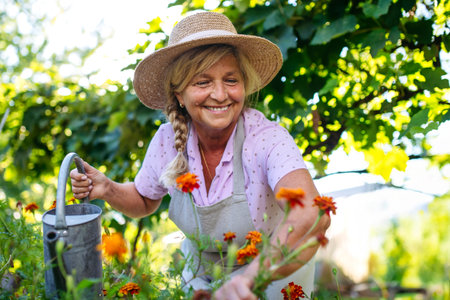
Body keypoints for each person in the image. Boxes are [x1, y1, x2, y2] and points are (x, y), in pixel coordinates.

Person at [70, 11, 330, 299]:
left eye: (231, 80)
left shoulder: (266, 139)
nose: (219, 95)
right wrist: (107, 188)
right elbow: (144, 200)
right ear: (179, 94)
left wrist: (249, 280)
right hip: (202, 274)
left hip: (274, 269)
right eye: (202, 82)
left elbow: (312, 213)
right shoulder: (168, 141)